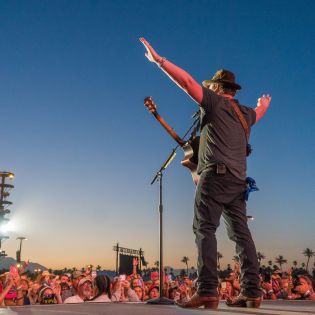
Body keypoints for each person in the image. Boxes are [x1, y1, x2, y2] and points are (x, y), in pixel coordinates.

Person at [140, 37, 271, 309]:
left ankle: (208, 289)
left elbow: (187, 82)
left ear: (217, 88)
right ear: (232, 90)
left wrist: (160, 61)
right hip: (238, 181)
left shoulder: (214, 102)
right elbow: (259, 112)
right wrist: (264, 104)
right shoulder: (245, 113)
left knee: (204, 228)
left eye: (211, 86)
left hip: (216, 177)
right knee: (241, 235)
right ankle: (251, 291)